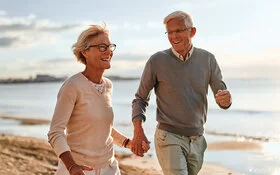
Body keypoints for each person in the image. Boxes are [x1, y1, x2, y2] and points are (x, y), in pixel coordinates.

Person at [131, 11, 232, 175]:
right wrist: (138, 131)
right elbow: (140, 99)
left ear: (192, 32)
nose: (174, 36)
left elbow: (222, 96)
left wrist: (226, 100)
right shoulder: (156, 61)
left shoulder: (208, 59)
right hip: (168, 137)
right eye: (170, 32)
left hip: (197, 140)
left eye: (179, 30)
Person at [48, 24, 149, 175]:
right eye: (102, 47)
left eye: (110, 46)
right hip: (79, 170)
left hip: (109, 168)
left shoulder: (108, 85)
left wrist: (128, 143)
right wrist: (71, 166)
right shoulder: (72, 85)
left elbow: (102, 127)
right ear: (85, 52)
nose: (108, 51)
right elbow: (55, 132)